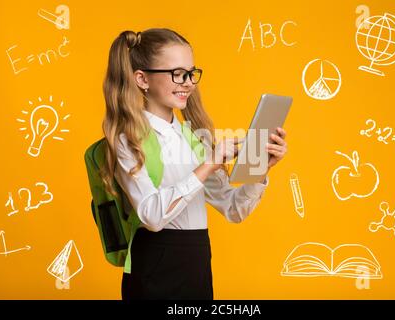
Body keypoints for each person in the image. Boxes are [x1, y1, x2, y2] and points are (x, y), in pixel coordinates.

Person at [100, 28, 288, 300]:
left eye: (191, 73)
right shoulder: (128, 139)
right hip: (154, 263)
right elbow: (152, 217)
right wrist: (208, 164)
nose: (188, 82)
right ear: (142, 79)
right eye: (177, 73)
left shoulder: (193, 138)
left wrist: (261, 169)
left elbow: (233, 209)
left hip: (197, 260)